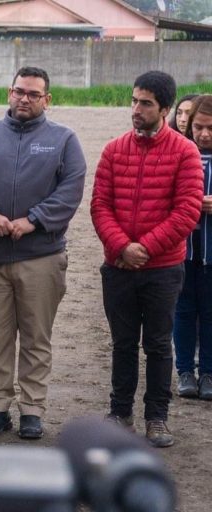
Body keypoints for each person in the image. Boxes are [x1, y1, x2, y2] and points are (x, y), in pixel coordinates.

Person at [0, 67, 86, 440]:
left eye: (34, 94)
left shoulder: (64, 139)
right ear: (9, 92)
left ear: (47, 100)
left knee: (36, 337)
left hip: (41, 256)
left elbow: (71, 189)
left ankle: (32, 410)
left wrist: (33, 220)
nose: (25, 99)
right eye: (19, 91)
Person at [91, 70, 203, 448]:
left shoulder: (184, 152)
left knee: (157, 344)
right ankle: (120, 412)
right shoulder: (113, 149)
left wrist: (146, 247)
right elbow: (100, 206)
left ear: (165, 109)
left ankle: (157, 416)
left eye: (145, 103)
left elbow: (187, 210)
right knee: (122, 343)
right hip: (119, 266)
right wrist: (123, 246)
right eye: (134, 100)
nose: (136, 109)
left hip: (163, 269)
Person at [174, 94, 212, 401]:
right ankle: (185, 370)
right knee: (184, 311)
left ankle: (208, 372)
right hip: (182, 250)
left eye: (211, 128)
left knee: (210, 313)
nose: (204, 134)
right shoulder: (179, 154)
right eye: (198, 127)